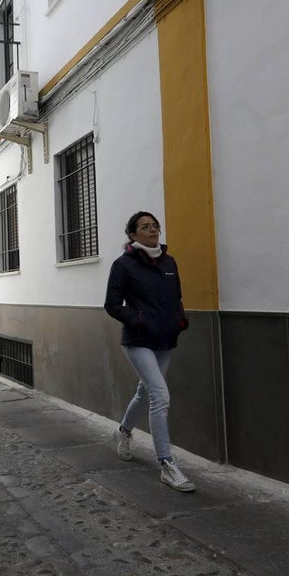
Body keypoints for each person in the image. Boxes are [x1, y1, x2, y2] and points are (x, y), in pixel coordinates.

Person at [103, 211, 194, 492]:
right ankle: (166, 464)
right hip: (138, 339)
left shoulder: (169, 262)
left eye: (155, 226)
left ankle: (124, 431)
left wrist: (179, 318)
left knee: (145, 392)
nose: (153, 230)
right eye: (145, 227)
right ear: (132, 234)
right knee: (159, 395)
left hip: (166, 338)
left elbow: (176, 296)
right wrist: (139, 320)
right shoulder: (123, 265)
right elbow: (113, 304)